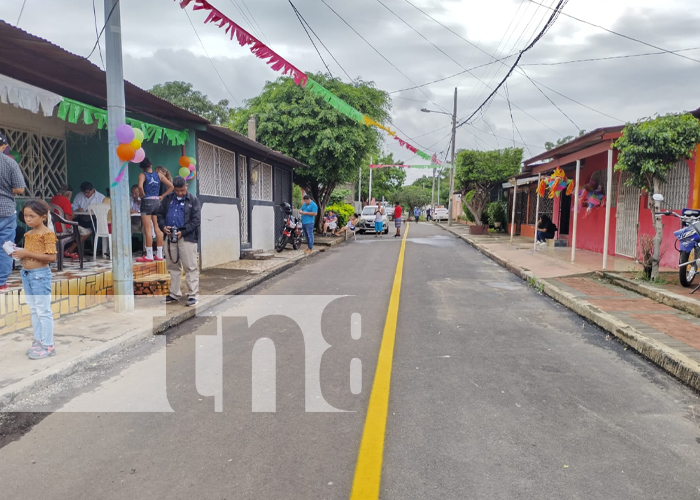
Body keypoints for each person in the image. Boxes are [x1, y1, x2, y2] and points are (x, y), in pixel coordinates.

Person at [13, 200, 57, 359]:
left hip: (40, 275)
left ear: (43, 217)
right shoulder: (29, 234)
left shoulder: (47, 234)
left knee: (43, 310)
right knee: (34, 309)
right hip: (27, 274)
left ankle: (48, 344)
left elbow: (51, 257)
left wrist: (27, 254)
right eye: (25, 216)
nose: (28, 219)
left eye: (32, 216)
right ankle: (39, 340)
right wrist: (18, 253)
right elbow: (29, 253)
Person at [157, 176, 201, 307]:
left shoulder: (193, 200)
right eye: (177, 190)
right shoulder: (168, 199)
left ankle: (193, 295)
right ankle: (174, 293)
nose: (180, 193)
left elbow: (196, 220)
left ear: (186, 186)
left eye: (182, 190)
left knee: (190, 267)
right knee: (172, 266)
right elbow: (160, 215)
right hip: (170, 236)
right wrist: (163, 226)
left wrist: (184, 231)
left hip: (186, 237)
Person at [0, 132, 26, 292]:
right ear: (4, 146)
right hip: (6, 211)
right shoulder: (9, 163)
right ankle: (1, 281)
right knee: (5, 247)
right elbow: (20, 188)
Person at [137, 159, 173, 262]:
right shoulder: (159, 175)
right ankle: (160, 254)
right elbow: (171, 186)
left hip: (146, 203)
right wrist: (162, 196)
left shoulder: (142, 175)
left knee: (148, 230)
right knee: (158, 229)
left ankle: (149, 255)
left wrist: (143, 194)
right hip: (157, 202)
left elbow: (140, 186)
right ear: (151, 165)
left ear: (142, 167)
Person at [49, 185, 91, 259]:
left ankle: (67, 250)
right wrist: (73, 218)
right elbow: (68, 220)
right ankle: (69, 251)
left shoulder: (53, 199)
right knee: (87, 232)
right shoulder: (66, 201)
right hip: (64, 228)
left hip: (54, 227)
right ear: (68, 194)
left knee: (79, 229)